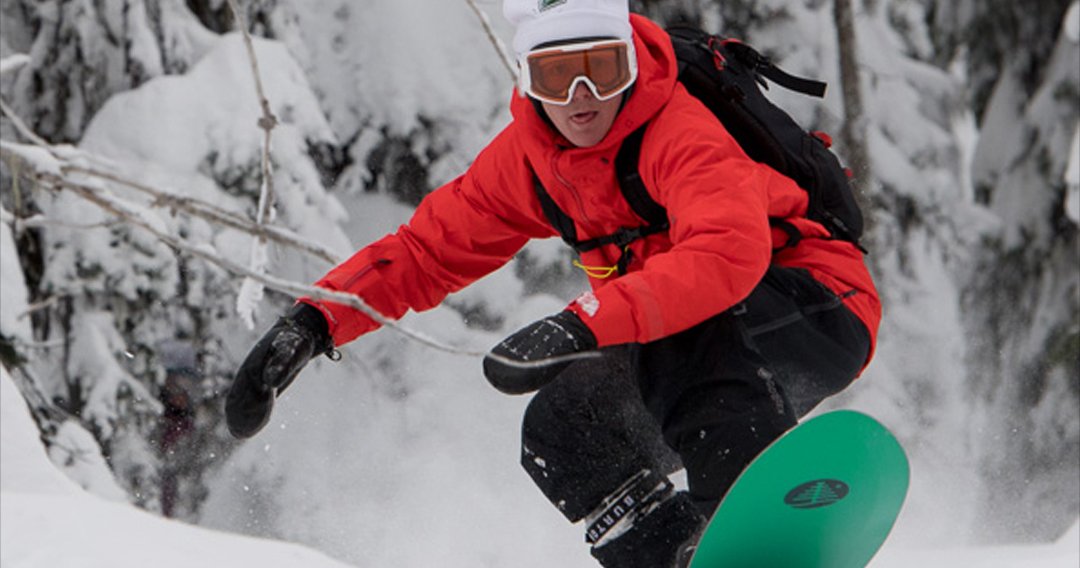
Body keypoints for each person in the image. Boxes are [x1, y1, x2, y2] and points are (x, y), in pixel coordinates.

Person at [225, 0, 880, 566]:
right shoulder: (531, 160)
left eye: (602, 69)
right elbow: (424, 251)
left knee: (685, 328)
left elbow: (724, 255)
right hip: (684, 344)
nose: (581, 97)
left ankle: (743, 518)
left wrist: (582, 322)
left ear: (630, 61)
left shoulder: (680, 132)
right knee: (562, 429)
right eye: (556, 76)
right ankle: (676, 555)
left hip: (813, 305)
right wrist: (314, 321)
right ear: (527, 79)